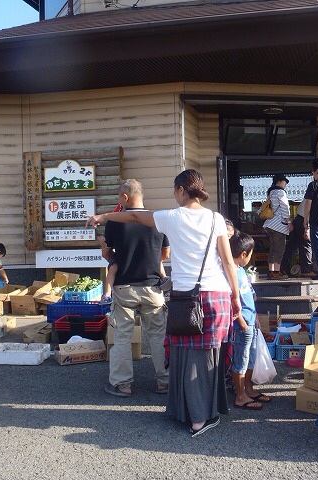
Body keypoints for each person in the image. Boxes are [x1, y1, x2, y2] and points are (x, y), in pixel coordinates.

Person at [86, 169, 240, 437]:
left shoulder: (170, 217)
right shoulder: (216, 219)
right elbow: (228, 261)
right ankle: (197, 407)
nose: (173, 194)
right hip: (214, 294)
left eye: (174, 190)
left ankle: (188, 414)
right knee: (208, 356)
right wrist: (236, 295)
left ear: (181, 190)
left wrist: (103, 216)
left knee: (182, 354)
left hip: (182, 297)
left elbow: (133, 215)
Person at [100, 179, 170, 398]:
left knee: (122, 336)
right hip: (152, 288)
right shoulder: (158, 220)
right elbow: (164, 255)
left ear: (125, 197)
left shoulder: (114, 222)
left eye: (119, 197)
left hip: (124, 288)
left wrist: (106, 253)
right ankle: (164, 382)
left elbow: (111, 255)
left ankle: (123, 385)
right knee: (158, 337)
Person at [229, 232, 271, 410]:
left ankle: (248, 389)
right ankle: (240, 395)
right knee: (241, 358)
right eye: (251, 254)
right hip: (242, 324)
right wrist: (243, 323)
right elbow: (231, 301)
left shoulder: (240, 270)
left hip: (250, 321)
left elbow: (250, 296)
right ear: (244, 254)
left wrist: (255, 320)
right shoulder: (230, 271)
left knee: (251, 358)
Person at [262, 174, 293, 280]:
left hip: (269, 224)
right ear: (279, 182)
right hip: (278, 226)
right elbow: (285, 206)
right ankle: (276, 272)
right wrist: (289, 221)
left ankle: (271, 271)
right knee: (279, 250)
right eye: (285, 182)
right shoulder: (280, 192)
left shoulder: (271, 192)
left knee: (273, 249)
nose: (285, 185)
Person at [281, 198, 315, 277]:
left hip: (298, 218)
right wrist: (307, 228)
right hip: (305, 220)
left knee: (292, 246)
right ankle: (306, 270)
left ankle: (283, 268)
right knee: (306, 245)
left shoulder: (312, 191)